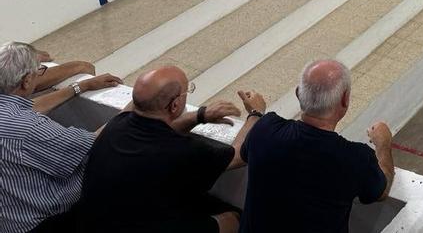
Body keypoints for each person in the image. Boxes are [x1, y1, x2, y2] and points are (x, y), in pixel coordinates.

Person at [75, 66, 265, 233]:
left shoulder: (117, 125)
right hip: (146, 224)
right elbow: (239, 154)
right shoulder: (184, 151)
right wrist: (256, 114)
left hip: (97, 222)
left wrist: (199, 116)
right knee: (234, 219)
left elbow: (160, 133)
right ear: (175, 105)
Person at [238, 60, 394, 232]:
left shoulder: (265, 128)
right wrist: (384, 144)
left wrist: (256, 113)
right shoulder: (356, 158)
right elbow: (381, 190)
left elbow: (243, 153)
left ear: (298, 93)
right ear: (345, 99)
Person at [0, 41, 122, 233]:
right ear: (26, 81)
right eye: (38, 72)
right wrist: (137, 107)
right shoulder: (29, 127)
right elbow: (91, 143)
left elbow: (31, 107)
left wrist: (80, 86)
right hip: (39, 223)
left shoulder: (10, 112)